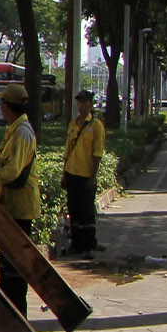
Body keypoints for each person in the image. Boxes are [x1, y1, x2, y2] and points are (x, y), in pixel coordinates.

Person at [0, 83, 40, 315]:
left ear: (7, 106)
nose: (0, 108)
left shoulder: (23, 132)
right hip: (11, 206)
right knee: (6, 263)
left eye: (2, 104)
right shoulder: (14, 130)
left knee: (14, 266)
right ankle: (11, 314)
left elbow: (13, 170)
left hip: (20, 209)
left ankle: (18, 317)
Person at [62, 91, 106, 258]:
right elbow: (67, 152)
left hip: (86, 175)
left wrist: (92, 177)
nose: (81, 105)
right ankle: (76, 244)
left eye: (84, 102)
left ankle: (89, 245)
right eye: (79, 102)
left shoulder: (96, 125)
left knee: (87, 211)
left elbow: (97, 153)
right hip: (72, 173)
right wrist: (64, 174)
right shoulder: (73, 124)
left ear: (90, 104)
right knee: (74, 211)